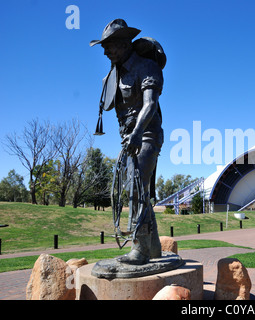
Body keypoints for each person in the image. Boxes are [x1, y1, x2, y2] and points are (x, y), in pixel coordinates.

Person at [90, 19, 163, 265]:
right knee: (139, 191)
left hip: (147, 135)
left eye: (108, 46)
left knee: (135, 191)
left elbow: (150, 104)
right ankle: (153, 249)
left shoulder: (147, 67)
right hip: (128, 140)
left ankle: (140, 250)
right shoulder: (114, 76)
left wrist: (137, 133)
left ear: (123, 44)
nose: (105, 51)